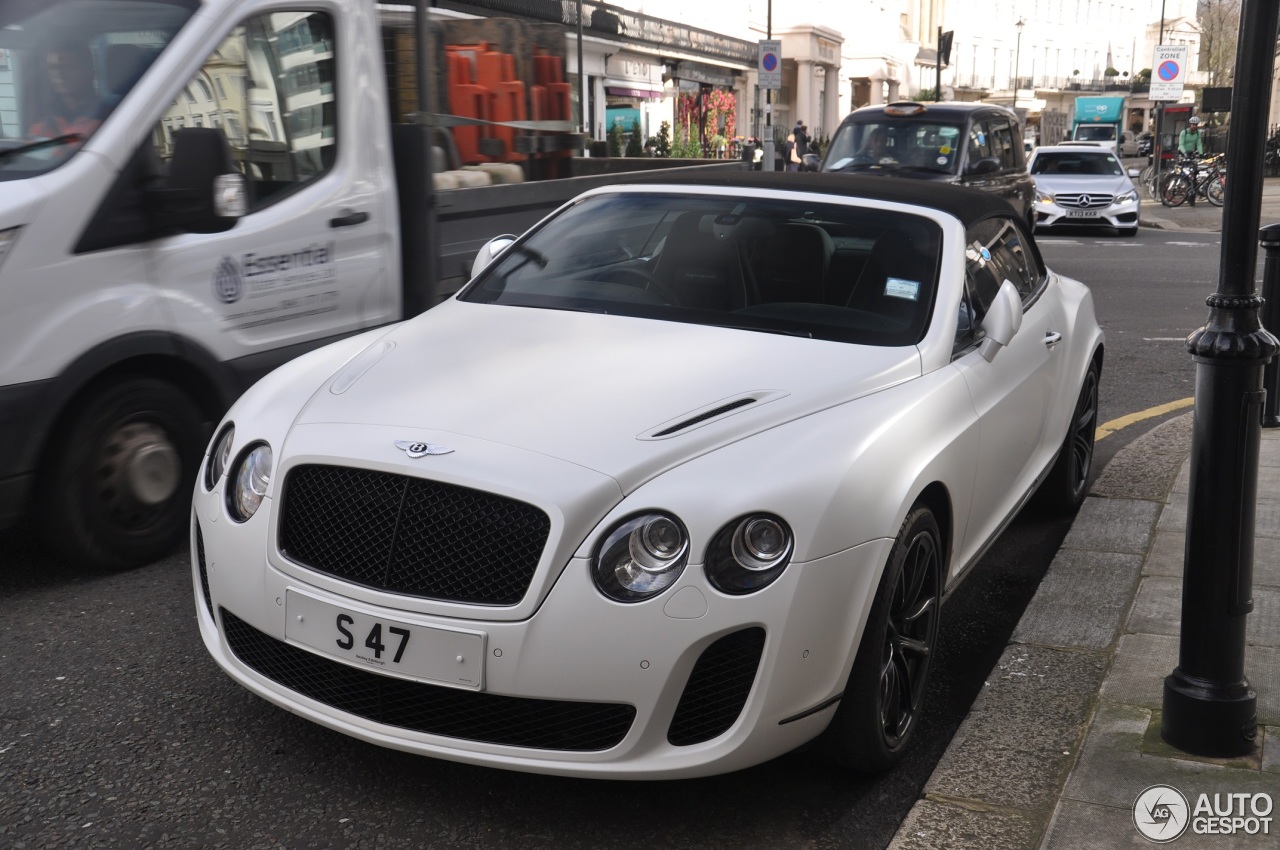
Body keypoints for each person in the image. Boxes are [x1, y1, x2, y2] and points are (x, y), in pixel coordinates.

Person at [28, 42, 103, 145]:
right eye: (53, 68)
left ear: (90, 71)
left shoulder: (110, 118)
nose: (60, 74)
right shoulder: (43, 123)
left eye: (68, 67)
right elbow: (32, 158)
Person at [1177, 116, 1206, 206]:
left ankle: (1191, 195)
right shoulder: (1184, 132)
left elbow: (1199, 144)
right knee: (1185, 173)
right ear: (1190, 124)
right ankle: (1183, 186)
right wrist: (1184, 153)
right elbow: (1181, 144)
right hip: (1182, 153)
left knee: (1194, 174)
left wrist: (1201, 153)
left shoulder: (1197, 134)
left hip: (1191, 154)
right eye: (1193, 124)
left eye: (1196, 125)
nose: (1194, 126)